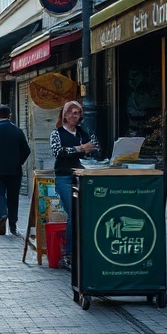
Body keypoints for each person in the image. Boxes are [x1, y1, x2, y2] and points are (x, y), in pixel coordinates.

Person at [50, 99, 99, 267]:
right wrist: (79, 149)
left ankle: (86, 250)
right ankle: (70, 253)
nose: (74, 116)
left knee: (85, 213)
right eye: (71, 112)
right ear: (64, 115)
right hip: (64, 177)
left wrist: (87, 150)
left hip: (84, 176)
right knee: (74, 212)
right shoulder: (57, 134)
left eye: (77, 113)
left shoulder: (84, 133)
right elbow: (59, 152)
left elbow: (94, 148)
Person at [0, 104, 31, 237]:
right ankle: (13, 225)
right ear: (10, 115)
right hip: (14, 170)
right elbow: (26, 150)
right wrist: (18, 162)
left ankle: (2, 215)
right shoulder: (17, 131)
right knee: (13, 197)